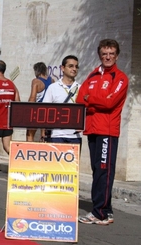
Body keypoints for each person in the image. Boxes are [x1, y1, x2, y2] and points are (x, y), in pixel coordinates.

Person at [76, 39, 129, 225]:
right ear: (100, 55)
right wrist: (93, 101)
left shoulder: (120, 77)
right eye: (104, 53)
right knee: (97, 170)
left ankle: (99, 213)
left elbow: (110, 103)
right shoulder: (92, 75)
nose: (107, 57)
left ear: (117, 56)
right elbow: (79, 99)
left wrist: (90, 99)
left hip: (107, 131)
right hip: (92, 129)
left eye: (111, 54)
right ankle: (106, 210)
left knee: (104, 171)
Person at [41, 55, 82, 146]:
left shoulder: (81, 88)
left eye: (76, 66)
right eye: (71, 66)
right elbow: (45, 110)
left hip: (75, 137)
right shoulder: (53, 87)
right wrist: (43, 133)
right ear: (62, 68)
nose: (74, 69)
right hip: (56, 135)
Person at [26, 62, 54, 142]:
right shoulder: (52, 80)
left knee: (30, 134)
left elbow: (32, 98)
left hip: (37, 110)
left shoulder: (36, 81)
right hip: (48, 110)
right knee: (44, 135)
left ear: (36, 71)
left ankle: (29, 151)